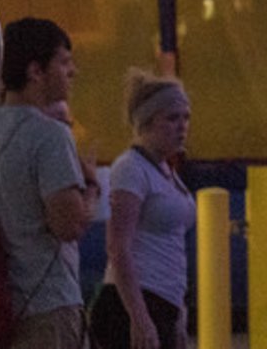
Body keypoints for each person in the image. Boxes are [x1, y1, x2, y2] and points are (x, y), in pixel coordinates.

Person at [0, 17, 98, 349]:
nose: (72, 72)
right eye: (64, 62)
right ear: (35, 71)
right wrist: (91, 187)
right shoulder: (50, 135)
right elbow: (68, 224)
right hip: (48, 304)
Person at [89, 72, 194, 349]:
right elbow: (118, 246)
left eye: (186, 118)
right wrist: (139, 317)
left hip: (165, 301)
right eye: (171, 118)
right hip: (135, 301)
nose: (182, 127)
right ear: (146, 122)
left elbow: (172, 248)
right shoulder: (131, 168)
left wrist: (179, 312)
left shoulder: (164, 170)